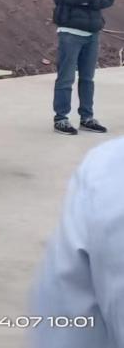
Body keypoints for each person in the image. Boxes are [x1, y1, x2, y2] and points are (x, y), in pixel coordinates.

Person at [31, 136, 124, 346]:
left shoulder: (106, 168)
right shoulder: (105, 169)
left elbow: (67, 324)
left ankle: (82, 118)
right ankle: (63, 119)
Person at [52, 0, 113, 135]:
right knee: (66, 78)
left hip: (92, 33)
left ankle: (87, 117)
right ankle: (61, 118)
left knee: (88, 79)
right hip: (70, 32)